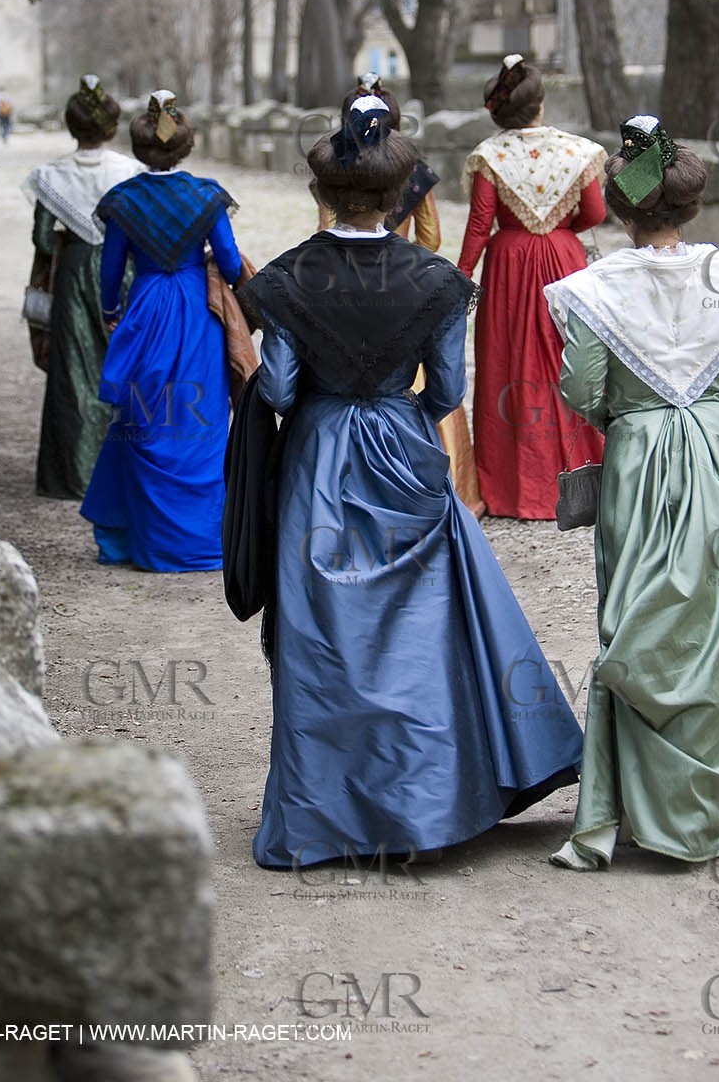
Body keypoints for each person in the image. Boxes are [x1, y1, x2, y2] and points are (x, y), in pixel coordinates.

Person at [239, 97, 584, 869]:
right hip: (402, 443)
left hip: (322, 456)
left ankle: (325, 815)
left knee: (326, 632)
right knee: (419, 627)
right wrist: (401, 408)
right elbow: (448, 393)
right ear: (401, 199)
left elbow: (282, 392)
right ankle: (431, 801)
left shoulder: (288, 279)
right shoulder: (436, 281)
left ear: (320, 195)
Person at [543, 115, 719, 870]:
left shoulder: (592, 292)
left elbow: (580, 389)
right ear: (690, 205)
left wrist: (627, 419)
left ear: (620, 209)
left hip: (637, 454)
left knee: (637, 610)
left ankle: (639, 797)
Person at [81, 90, 242, 572]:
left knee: (144, 421)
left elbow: (110, 275)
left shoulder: (124, 201)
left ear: (138, 149)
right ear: (186, 147)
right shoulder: (207, 195)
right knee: (202, 421)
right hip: (196, 313)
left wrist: (113, 312)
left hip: (147, 310)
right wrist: (209, 264)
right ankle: (202, 541)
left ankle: (136, 538)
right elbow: (231, 264)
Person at [314, 74, 484, 515]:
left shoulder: (335, 169)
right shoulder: (416, 173)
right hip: (403, 285)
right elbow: (431, 237)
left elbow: (322, 233)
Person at [458, 55, 606, 520]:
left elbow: (480, 225)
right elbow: (596, 214)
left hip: (509, 265)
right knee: (571, 357)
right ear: (540, 103)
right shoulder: (577, 152)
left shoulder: (489, 157)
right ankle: (585, 474)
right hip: (564, 259)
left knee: (510, 361)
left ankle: (516, 485)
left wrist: (460, 276)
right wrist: (561, 229)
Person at [21, 75, 134, 498]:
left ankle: (73, 473)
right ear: (110, 127)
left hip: (71, 272)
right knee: (120, 362)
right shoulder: (130, 171)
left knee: (73, 370)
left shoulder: (50, 176)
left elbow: (43, 239)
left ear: (72, 126)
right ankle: (124, 467)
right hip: (122, 269)